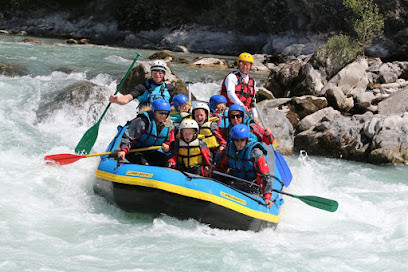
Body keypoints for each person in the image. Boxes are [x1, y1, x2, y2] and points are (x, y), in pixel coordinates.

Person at [215, 124, 274, 208]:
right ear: (233, 140)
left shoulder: (255, 152)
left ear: (247, 139)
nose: (239, 144)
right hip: (234, 181)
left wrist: (267, 197)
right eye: (237, 140)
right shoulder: (229, 149)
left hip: (251, 186)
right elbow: (220, 168)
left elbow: (265, 176)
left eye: (242, 140)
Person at [117, 98, 174, 166]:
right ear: (154, 111)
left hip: (151, 152)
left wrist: (168, 148)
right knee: (144, 163)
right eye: (160, 112)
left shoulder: (169, 126)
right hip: (135, 150)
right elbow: (128, 136)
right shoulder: (143, 121)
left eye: (166, 113)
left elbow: (170, 142)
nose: (163, 115)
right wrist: (123, 150)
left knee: (165, 162)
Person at [109, 60, 175, 109]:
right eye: (154, 71)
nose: (157, 74)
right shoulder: (143, 87)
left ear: (164, 74)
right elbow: (128, 98)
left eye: (160, 71)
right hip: (145, 119)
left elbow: (175, 105)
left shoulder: (169, 88)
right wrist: (117, 100)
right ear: (151, 73)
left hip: (163, 118)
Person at [220, 52, 258, 120]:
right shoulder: (232, 77)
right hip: (230, 110)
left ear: (251, 66)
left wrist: (255, 116)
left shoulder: (253, 81)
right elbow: (230, 94)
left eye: (248, 64)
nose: (245, 66)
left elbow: (252, 102)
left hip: (245, 113)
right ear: (238, 64)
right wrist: (241, 105)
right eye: (242, 63)